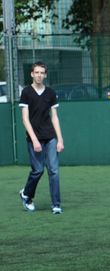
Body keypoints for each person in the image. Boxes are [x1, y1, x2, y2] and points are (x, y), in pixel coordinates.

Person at [19, 61, 65, 214]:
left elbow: (55, 118)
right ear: (32, 74)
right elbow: (25, 119)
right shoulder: (26, 92)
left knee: (54, 170)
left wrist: (60, 140)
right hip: (34, 139)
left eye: (42, 73)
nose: (39, 75)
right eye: (36, 72)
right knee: (38, 170)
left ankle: (56, 205)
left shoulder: (51, 93)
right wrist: (34, 139)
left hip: (50, 137)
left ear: (45, 75)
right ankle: (26, 194)